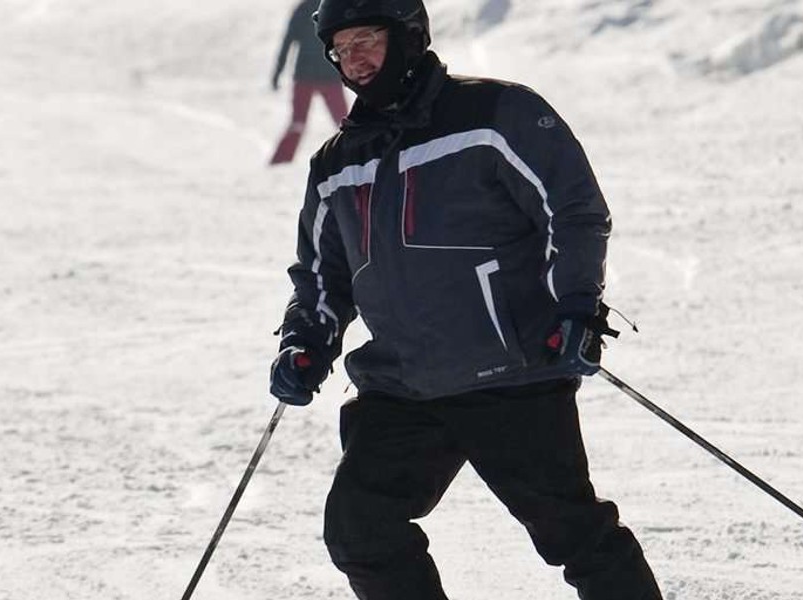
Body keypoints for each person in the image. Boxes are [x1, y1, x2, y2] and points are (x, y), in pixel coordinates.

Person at [268, 0, 663, 598]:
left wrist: (577, 305)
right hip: (402, 386)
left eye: (367, 40)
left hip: (510, 371)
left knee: (574, 534)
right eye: (342, 50)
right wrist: (305, 342)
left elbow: (573, 210)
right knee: (360, 528)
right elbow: (323, 275)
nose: (355, 60)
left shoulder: (495, 115)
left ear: (407, 35)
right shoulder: (336, 163)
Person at [269, 0, 350, 165]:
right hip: (314, 75)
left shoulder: (326, 7)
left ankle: (355, 154)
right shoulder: (319, 8)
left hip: (319, 75)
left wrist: (278, 72)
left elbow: (288, 40)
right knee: (343, 124)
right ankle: (280, 162)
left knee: (344, 124)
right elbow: (289, 40)